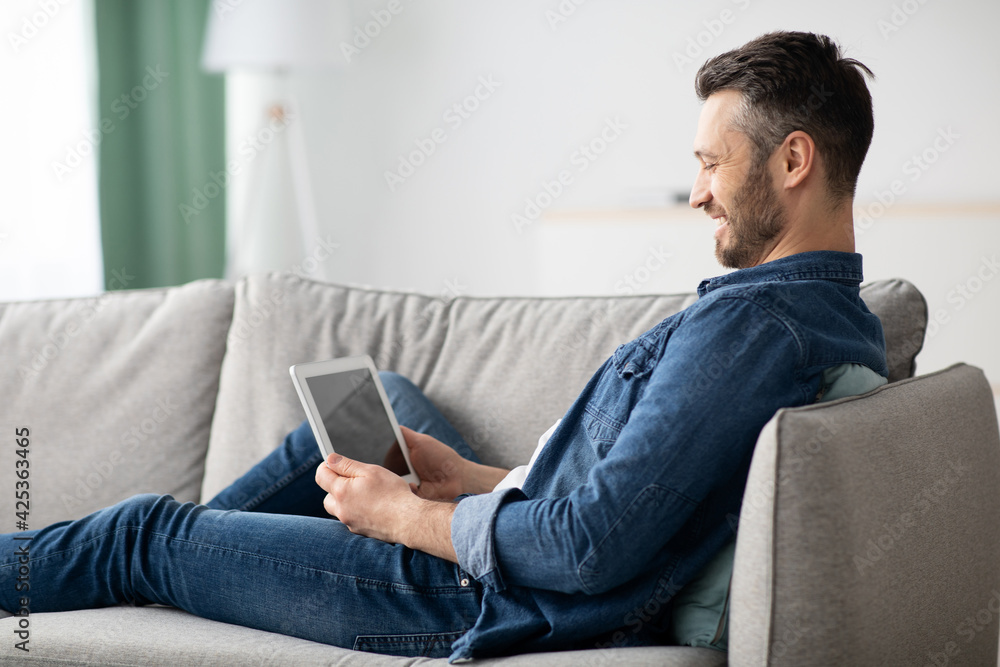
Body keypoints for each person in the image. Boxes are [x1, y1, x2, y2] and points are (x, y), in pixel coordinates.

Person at [1, 31, 887, 662]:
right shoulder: (836, 316)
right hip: (509, 546)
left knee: (142, 531)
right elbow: (631, 497)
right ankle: (194, 568)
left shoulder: (755, 326)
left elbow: (587, 549)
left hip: (478, 594)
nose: (696, 193)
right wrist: (469, 480)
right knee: (363, 412)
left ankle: (163, 563)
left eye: (709, 162)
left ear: (792, 161)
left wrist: (405, 517)